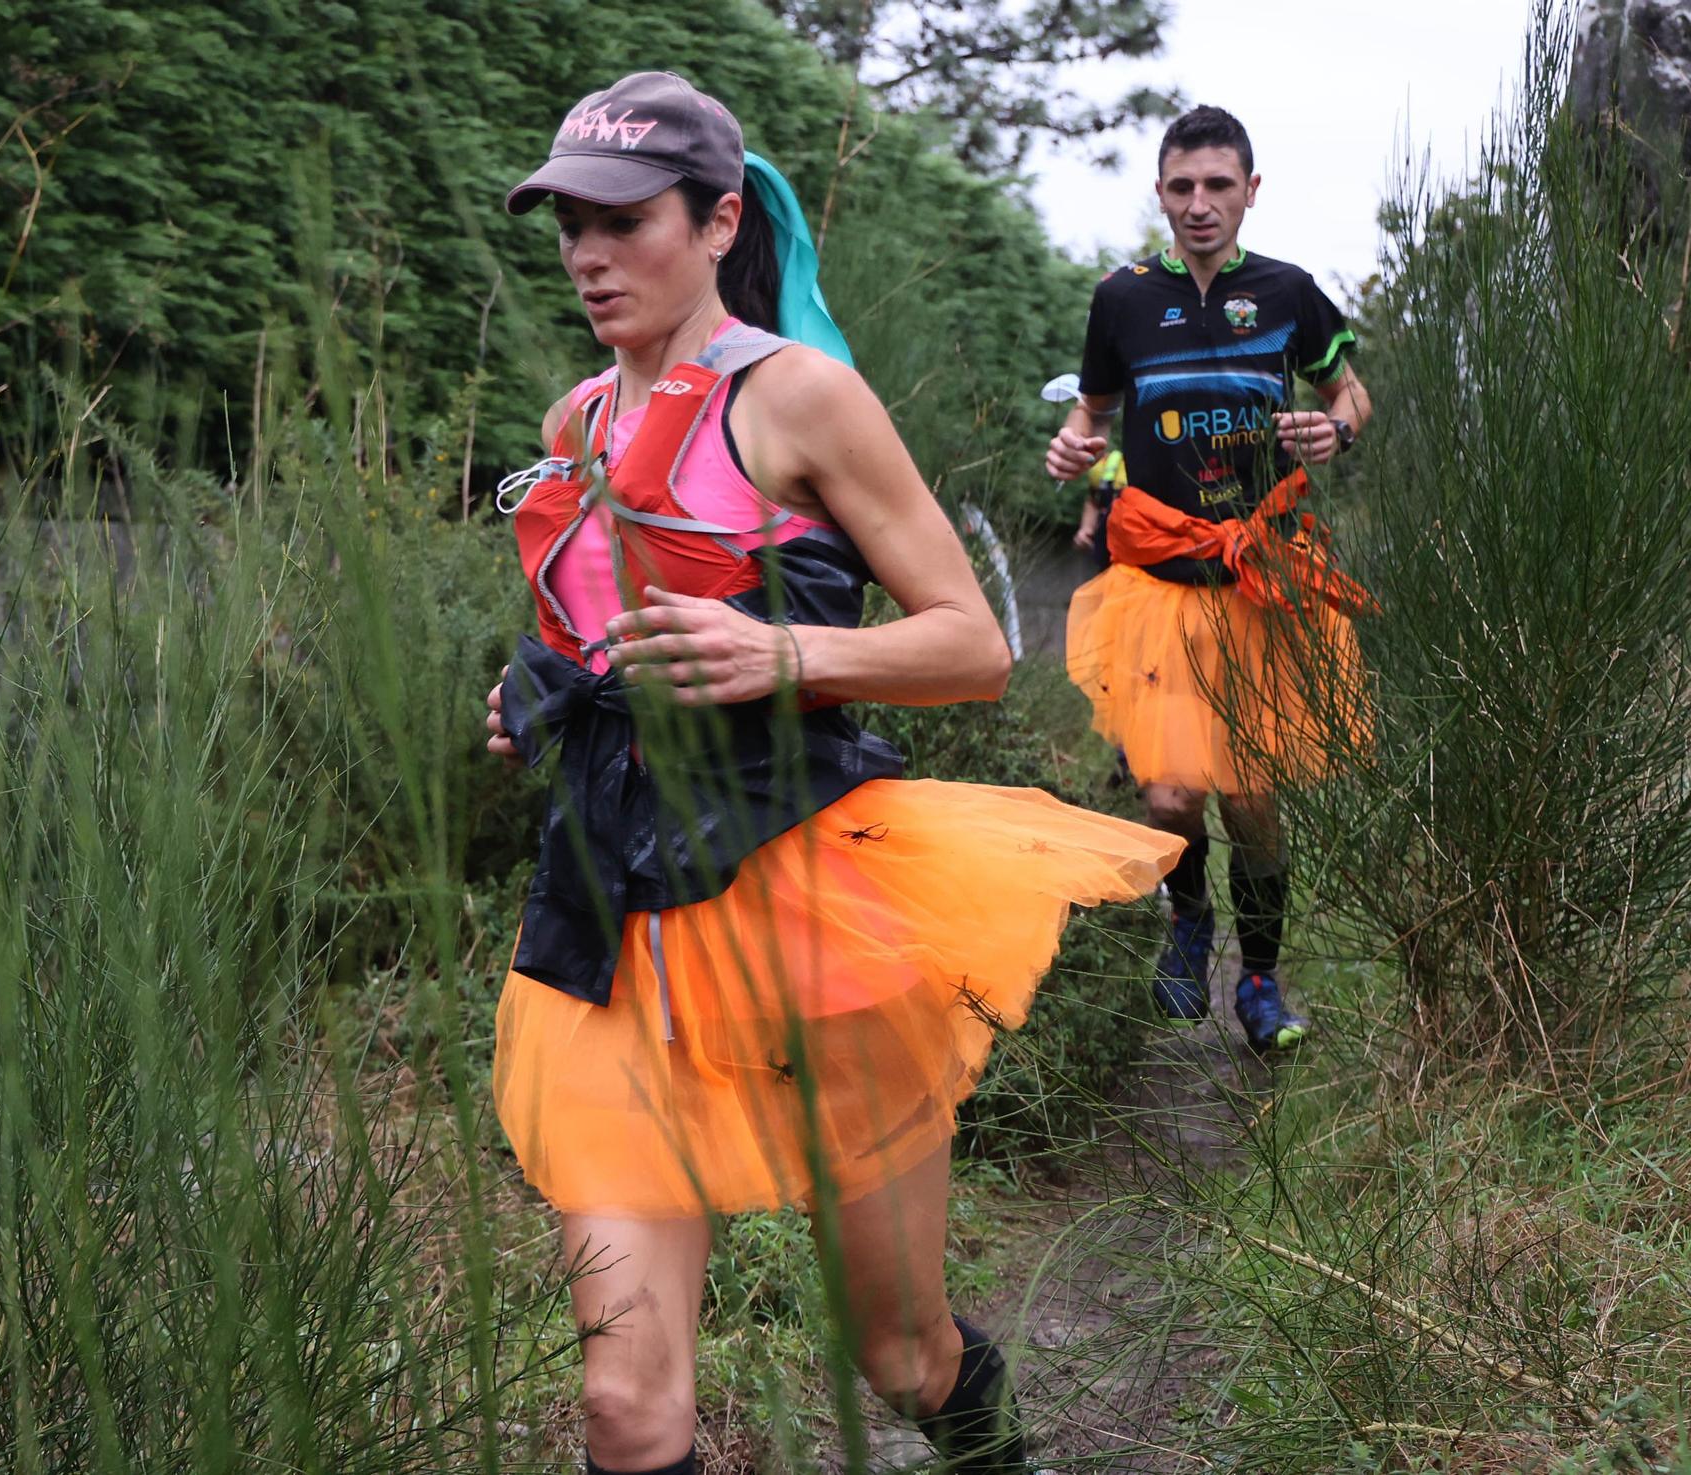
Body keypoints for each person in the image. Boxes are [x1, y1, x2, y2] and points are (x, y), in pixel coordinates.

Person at [485, 71, 1185, 1475]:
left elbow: (974, 643)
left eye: (625, 219)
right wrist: (534, 691)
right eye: (570, 221)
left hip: (809, 908)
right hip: (609, 922)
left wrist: (778, 651)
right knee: (627, 1405)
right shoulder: (576, 421)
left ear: (717, 217)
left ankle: (992, 1448)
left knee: (898, 1350)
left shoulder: (799, 394)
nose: (589, 254)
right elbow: (602, 630)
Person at [1047, 104, 1374, 1053]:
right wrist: (1074, 449)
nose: (1200, 204)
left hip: (1264, 580)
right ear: (1160, 192)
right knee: (1171, 797)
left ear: (1250, 191)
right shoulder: (1122, 300)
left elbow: (1350, 391)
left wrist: (1336, 428)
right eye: (1182, 186)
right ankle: (1188, 924)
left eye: (1218, 185)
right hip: (1157, 582)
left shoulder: (1290, 293)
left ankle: (1262, 978)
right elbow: (1093, 417)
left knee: (1256, 799)